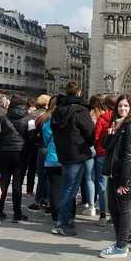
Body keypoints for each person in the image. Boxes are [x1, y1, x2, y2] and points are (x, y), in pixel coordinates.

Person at [50, 82, 95, 236]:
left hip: (63, 153)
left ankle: (65, 220)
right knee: (70, 190)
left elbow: (54, 131)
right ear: (79, 93)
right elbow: (90, 132)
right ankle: (63, 223)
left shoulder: (57, 110)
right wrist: (88, 144)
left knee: (67, 188)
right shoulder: (80, 110)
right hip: (77, 152)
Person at [100, 95, 131, 258]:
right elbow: (104, 146)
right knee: (113, 208)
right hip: (113, 172)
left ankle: (121, 245)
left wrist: (125, 181)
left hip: (123, 174)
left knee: (123, 208)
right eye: (120, 106)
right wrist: (111, 133)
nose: (122, 109)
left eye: (126, 106)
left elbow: (129, 155)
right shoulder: (117, 123)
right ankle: (119, 241)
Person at [0, 94, 31, 223]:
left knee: (3, 182)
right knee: (17, 184)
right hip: (21, 154)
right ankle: (17, 213)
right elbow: (31, 138)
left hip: (5, 152)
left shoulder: (2, 118)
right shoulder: (29, 119)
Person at [94, 95, 117, 227]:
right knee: (114, 185)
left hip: (102, 154)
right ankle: (114, 215)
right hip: (115, 155)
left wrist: (98, 147)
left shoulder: (102, 119)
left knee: (102, 184)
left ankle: (103, 215)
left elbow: (96, 137)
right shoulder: (120, 118)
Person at [28, 94, 51, 213]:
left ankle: (38, 200)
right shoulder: (52, 116)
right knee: (49, 176)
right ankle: (47, 200)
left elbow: (32, 133)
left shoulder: (37, 116)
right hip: (50, 148)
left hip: (40, 147)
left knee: (41, 175)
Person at [42, 97, 63, 225]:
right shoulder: (67, 120)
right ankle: (67, 215)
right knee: (67, 187)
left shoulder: (48, 121)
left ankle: (56, 216)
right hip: (66, 158)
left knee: (54, 188)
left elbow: (45, 138)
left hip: (51, 157)